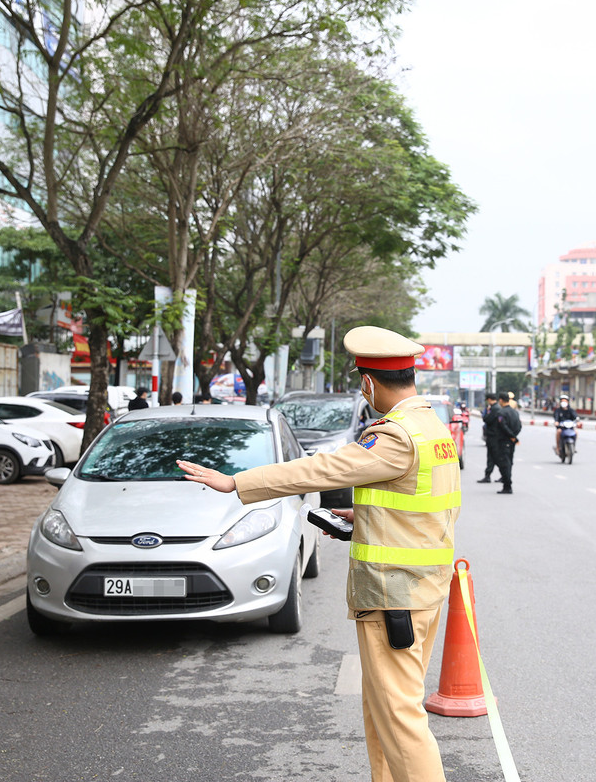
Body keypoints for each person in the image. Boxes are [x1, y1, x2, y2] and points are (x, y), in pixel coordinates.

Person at [176, 326, 459, 782]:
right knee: (384, 711)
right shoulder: (433, 429)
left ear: (368, 383)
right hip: (422, 589)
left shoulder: (396, 435)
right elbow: (423, 507)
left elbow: (324, 468)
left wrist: (236, 482)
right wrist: (364, 516)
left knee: (400, 718)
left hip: (394, 595)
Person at [495, 392, 521, 494]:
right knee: (509, 462)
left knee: (504, 463)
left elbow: (503, 427)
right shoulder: (515, 412)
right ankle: (507, 484)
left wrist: (511, 436)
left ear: (501, 400)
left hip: (504, 441)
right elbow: (519, 426)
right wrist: (514, 437)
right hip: (511, 441)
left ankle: (507, 486)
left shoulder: (501, 413)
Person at [478, 393, 503, 484]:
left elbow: (487, 419)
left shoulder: (494, 409)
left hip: (494, 436)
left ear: (489, 399)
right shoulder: (496, 408)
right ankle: (488, 475)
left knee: (495, 457)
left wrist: (487, 412)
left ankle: (504, 474)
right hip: (493, 436)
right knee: (491, 457)